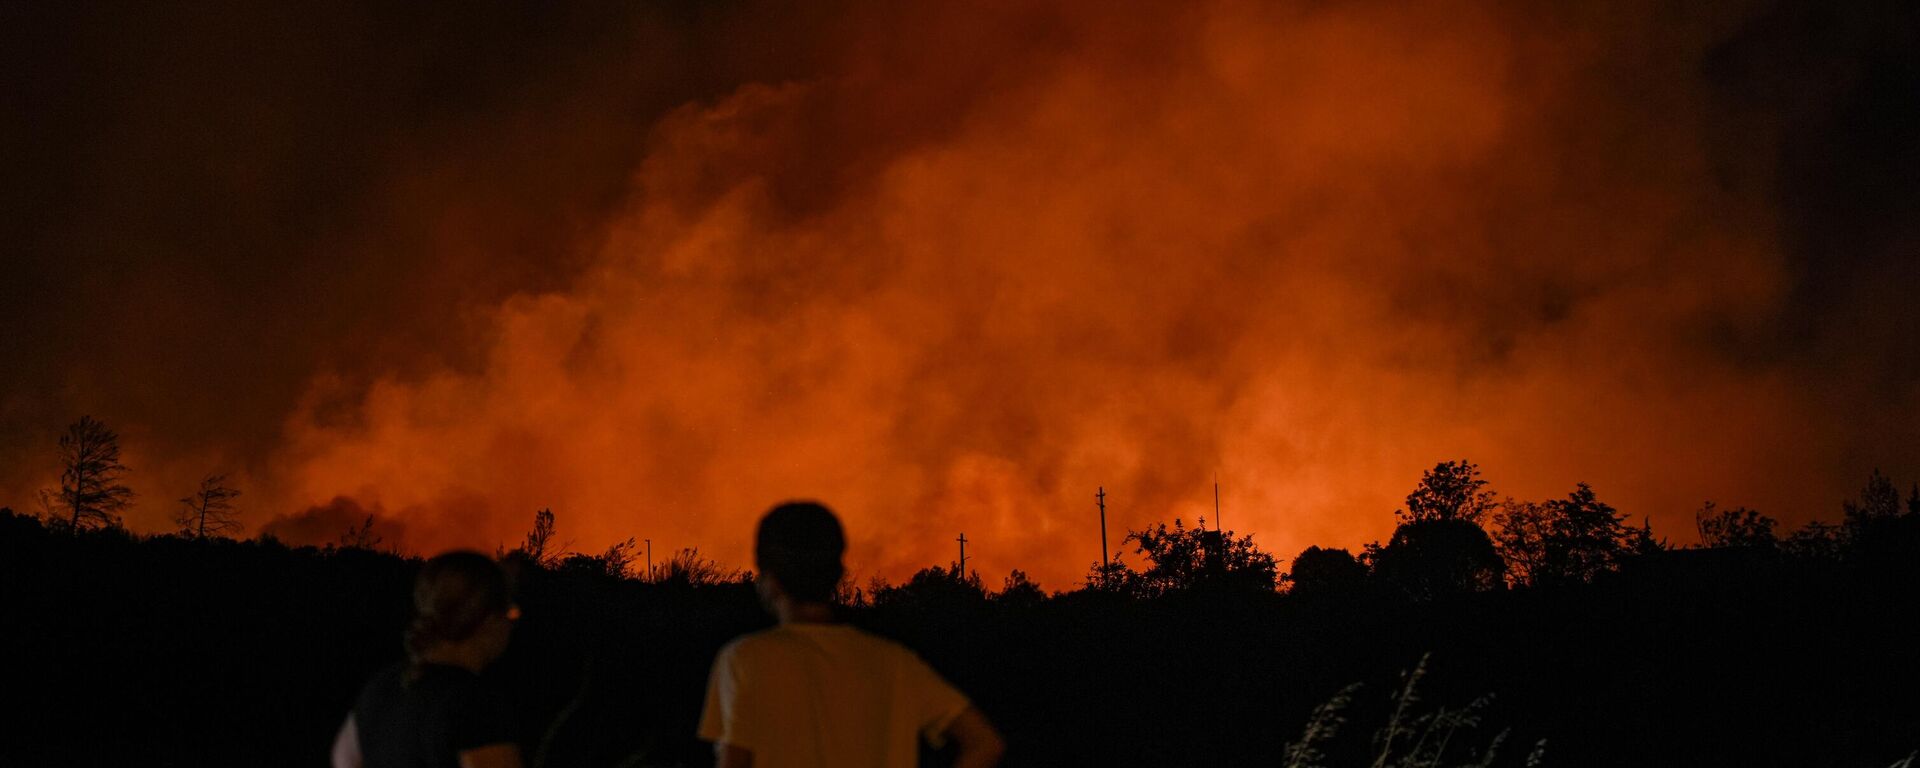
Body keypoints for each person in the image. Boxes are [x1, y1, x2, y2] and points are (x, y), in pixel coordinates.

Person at [700, 501, 1006, 768]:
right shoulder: (895, 663)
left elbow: (734, 761)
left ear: (770, 579)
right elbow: (985, 743)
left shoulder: (744, 661)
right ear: (838, 575)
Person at [332, 551, 524, 768]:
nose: (511, 625)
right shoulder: (474, 707)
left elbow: (344, 761)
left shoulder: (380, 689)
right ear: (489, 620)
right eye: (511, 613)